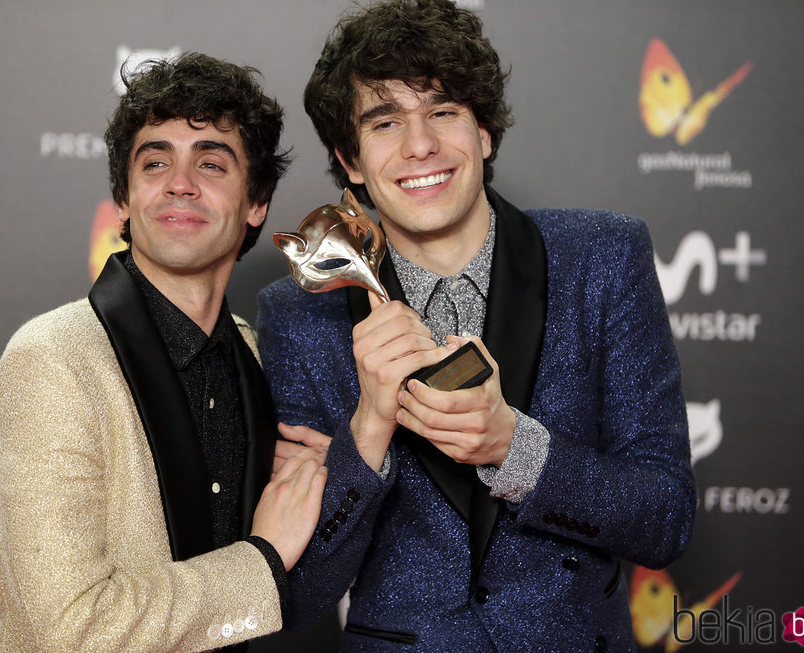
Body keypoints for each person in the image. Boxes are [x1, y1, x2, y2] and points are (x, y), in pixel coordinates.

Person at [257, 1, 695, 650]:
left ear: (483, 132)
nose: (419, 145)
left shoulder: (601, 256)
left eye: (442, 110)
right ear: (349, 161)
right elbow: (298, 594)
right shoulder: (301, 316)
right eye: (385, 121)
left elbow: (664, 518)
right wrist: (367, 430)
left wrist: (514, 448)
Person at [0, 52, 327, 652]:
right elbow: (69, 630)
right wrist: (261, 560)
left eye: (212, 163)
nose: (180, 183)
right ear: (124, 199)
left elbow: (309, 575)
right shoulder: (53, 359)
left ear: (256, 203)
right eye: (155, 161)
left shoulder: (258, 357)